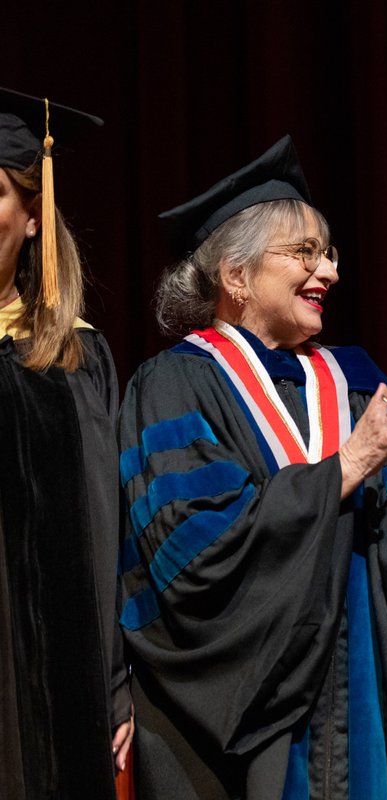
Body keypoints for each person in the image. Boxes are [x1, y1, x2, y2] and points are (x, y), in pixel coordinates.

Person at [116, 135, 387, 799]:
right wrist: (343, 469)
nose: (330, 273)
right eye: (305, 253)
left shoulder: (355, 383)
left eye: (330, 254)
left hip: (361, 699)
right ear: (236, 275)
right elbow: (193, 556)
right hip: (235, 731)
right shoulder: (173, 385)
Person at [0, 87, 133, 799]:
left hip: (49, 684)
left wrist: (113, 680)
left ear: (32, 216)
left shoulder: (71, 360)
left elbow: (103, 530)